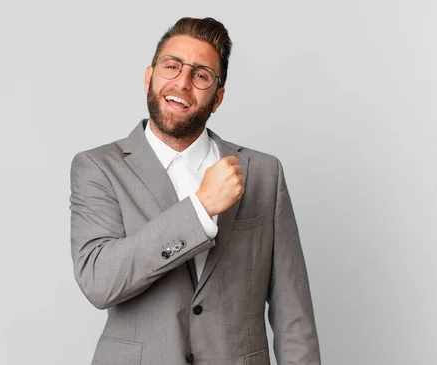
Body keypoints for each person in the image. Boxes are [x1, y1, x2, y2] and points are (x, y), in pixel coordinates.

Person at [69, 16, 321, 365]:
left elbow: (293, 314)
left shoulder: (263, 173)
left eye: (201, 74)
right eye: (171, 66)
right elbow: (100, 281)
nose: (182, 83)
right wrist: (200, 209)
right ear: (149, 76)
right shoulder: (98, 167)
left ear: (217, 98)